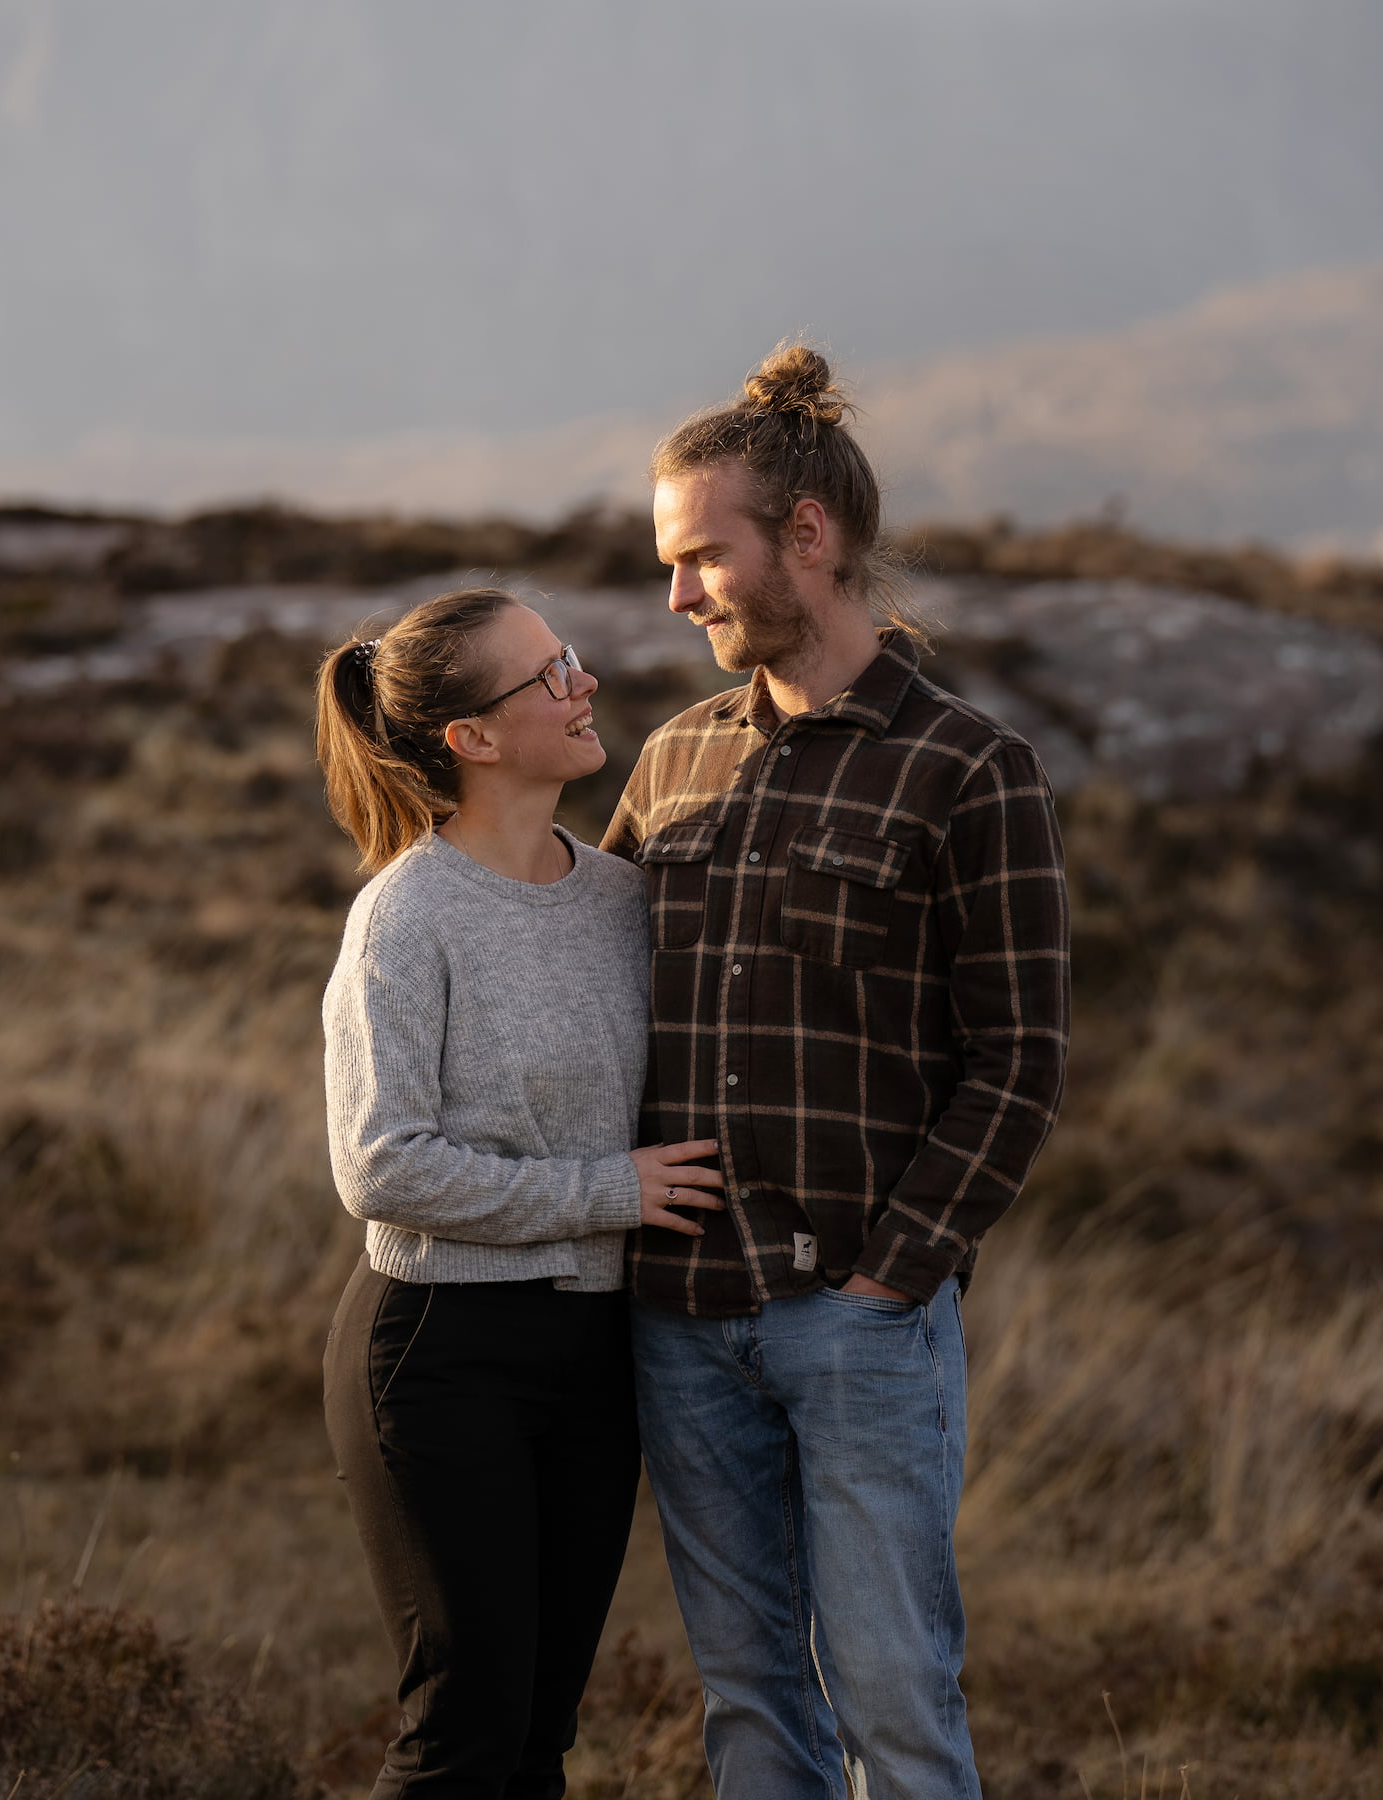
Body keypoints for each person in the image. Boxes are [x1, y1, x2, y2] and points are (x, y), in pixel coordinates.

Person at [602, 346, 1071, 1799]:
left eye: (699, 557)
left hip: (859, 1323)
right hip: (682, 1324)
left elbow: (1019, 1059)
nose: (676, 596)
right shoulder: (672, 762)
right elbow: (587, 995)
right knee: (750, 1703)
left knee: (894, 1705)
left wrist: (895, 1277)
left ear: (808, 537)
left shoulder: (969, 769)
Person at [315, 586, 724, 1800]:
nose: (585, 684)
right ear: (473, 739)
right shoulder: (407, 914)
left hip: (594, 1351)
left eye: (573, 659)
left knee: (541, 1734)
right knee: (462, 1737)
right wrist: (610, 1190)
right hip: (445, 1346)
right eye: (548, 675)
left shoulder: (619, 897)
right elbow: (379, 1164)